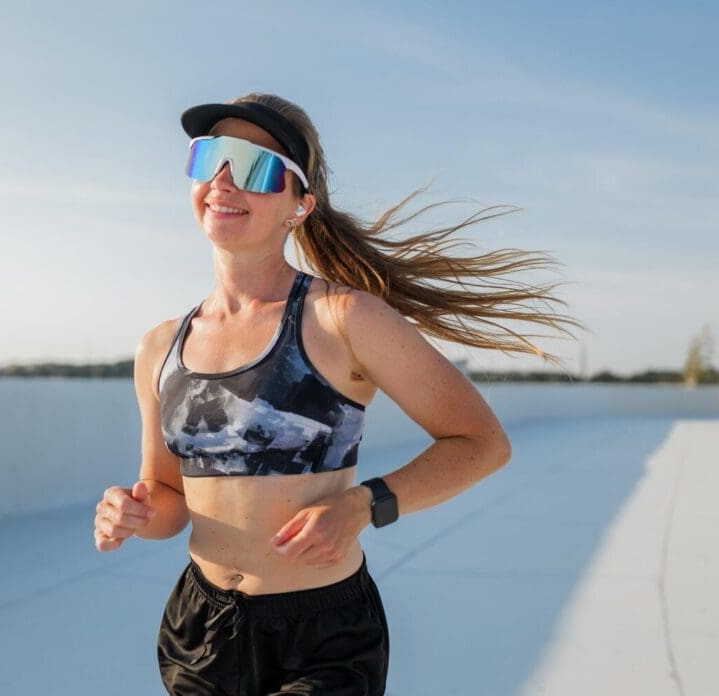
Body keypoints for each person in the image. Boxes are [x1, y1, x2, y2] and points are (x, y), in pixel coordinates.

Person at [94, 93, 584, 695]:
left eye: (256, 167)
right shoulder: (159, 348)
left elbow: (482, 443)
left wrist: (362, 506)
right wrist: (134, 513)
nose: (224, 180)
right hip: (200, 633)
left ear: (299, 207)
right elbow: (168, 497)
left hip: (323, 637)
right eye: (210, 157)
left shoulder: (343, 318)